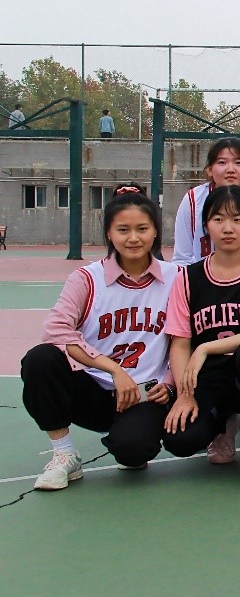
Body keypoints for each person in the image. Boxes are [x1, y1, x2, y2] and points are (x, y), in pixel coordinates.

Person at [21, 185, 177, 490]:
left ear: (156, 231)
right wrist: (113, 369)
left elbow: (187, 337)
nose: (133, 238)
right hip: (93, 391)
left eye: (142, 228)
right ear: (109, 233)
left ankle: (129, 439)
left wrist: (170, 383)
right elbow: (56, 330)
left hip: (144, 394)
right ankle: (65, 454)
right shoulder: (87, 279)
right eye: (123, 230)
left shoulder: (176, 277)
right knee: (40, 359)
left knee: (133, 452)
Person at [161, 186, 240, 492]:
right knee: (180, 440)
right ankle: (222, 425)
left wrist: (206, 347)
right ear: (206, 226)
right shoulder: (187, 277)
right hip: (211, 377)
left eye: (237, 219)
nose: (228, 228)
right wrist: (184, 395)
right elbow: (180, 342)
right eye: (218, 219)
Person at [172, 137, 240, 265]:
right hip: (197, 276)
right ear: (209, 170)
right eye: (222, 162)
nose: (230, 169)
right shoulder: (192, 200)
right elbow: (182, 258)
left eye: (239, 163)